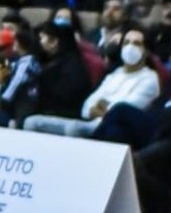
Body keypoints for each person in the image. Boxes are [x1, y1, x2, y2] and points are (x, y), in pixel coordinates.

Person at [22, 25, 160, 136]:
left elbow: (124, 110)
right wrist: (94, 109)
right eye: (126, 43)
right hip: (89, 121)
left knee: (73, 128)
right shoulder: (114, 74)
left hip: (105, 126)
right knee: (31, 122)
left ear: (146, 51)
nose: (130, 47)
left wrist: (99, 109)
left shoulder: (150, 78)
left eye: (137, 44)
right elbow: (86, 106)